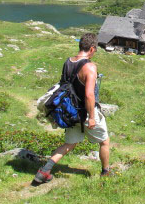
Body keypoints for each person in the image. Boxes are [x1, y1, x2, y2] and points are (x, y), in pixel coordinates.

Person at [34, 33, 111, 183]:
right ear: (92, 48)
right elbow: (89, 95)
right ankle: (106, 172)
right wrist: (92, 117)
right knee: (104, 141)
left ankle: (44, 171)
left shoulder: (68, 62)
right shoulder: (89, 67)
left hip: (70, 111)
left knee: (69, 144)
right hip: (87, 112)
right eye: (95, 50)